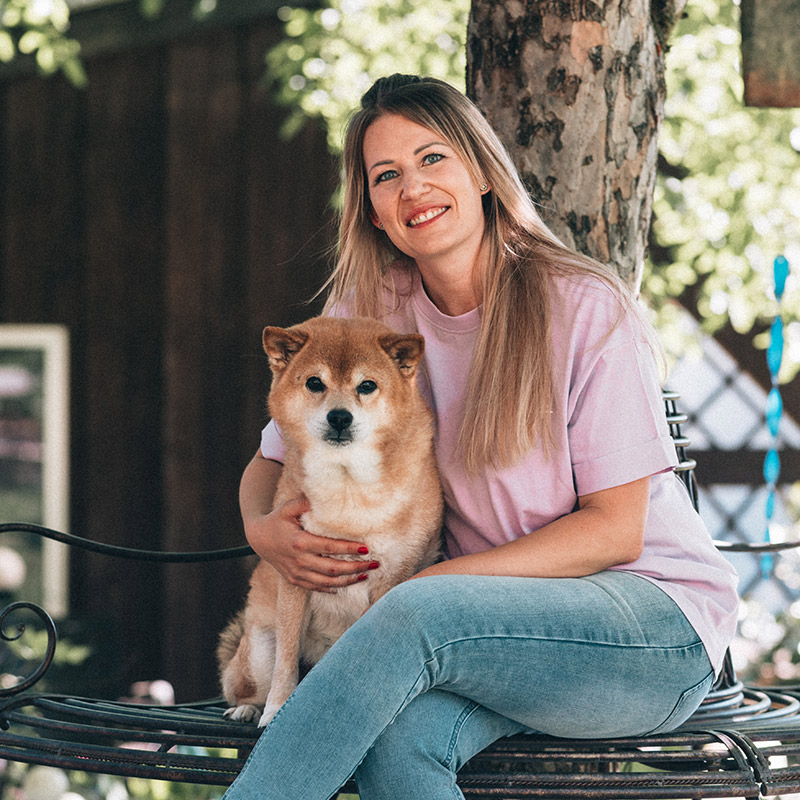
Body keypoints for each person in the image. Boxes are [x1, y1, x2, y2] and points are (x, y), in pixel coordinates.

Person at [224, 74, 739, 800]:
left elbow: (616, 533)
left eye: (434, 159)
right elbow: (269, 461)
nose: (414, 188)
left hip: (648, 631)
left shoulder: (583, 307)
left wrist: (431, 588)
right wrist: (264, 532)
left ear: (481, 170)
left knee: (412, 612)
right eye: (387, 175)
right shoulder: (371, 318)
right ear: (371, 209)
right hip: (479, 640)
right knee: (395, 745)